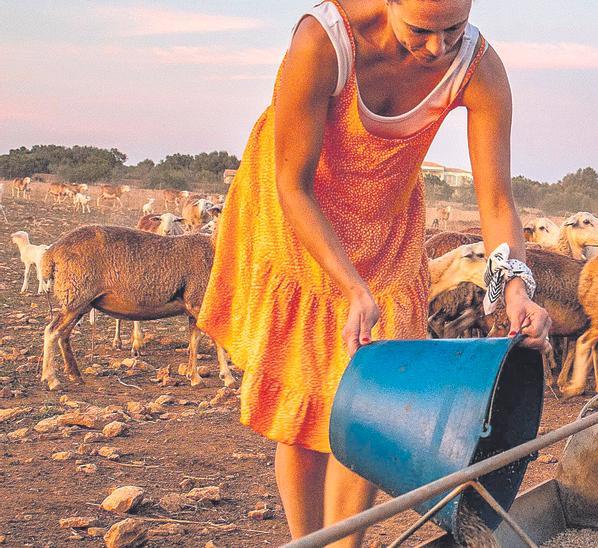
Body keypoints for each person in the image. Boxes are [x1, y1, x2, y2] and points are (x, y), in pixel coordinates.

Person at [196, 0, 550, 544]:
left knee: (372, 394)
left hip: (387, 224)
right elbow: (293, 183)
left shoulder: (479, 68)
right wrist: (349, 286)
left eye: (453, 28)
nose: (438, 48)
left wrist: (515, 288)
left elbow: (498, 201)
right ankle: (306, 539)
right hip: (301, 217)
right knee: (310, 390)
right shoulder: (323, 41)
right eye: (421, 30)